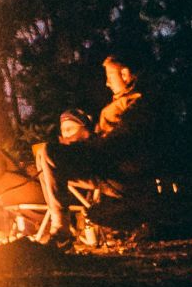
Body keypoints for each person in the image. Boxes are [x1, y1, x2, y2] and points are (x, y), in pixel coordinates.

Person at [30, 54, 149, 243]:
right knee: (42, 157)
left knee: (49, 152)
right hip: (101, 166)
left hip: (117, 173)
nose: (107, 84)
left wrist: (87, 143)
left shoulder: (137, 104)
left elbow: (121, 140)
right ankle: (60, 224)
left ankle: (61, 227)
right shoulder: (119, 104)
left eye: (110, 77)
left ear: (125, 75)